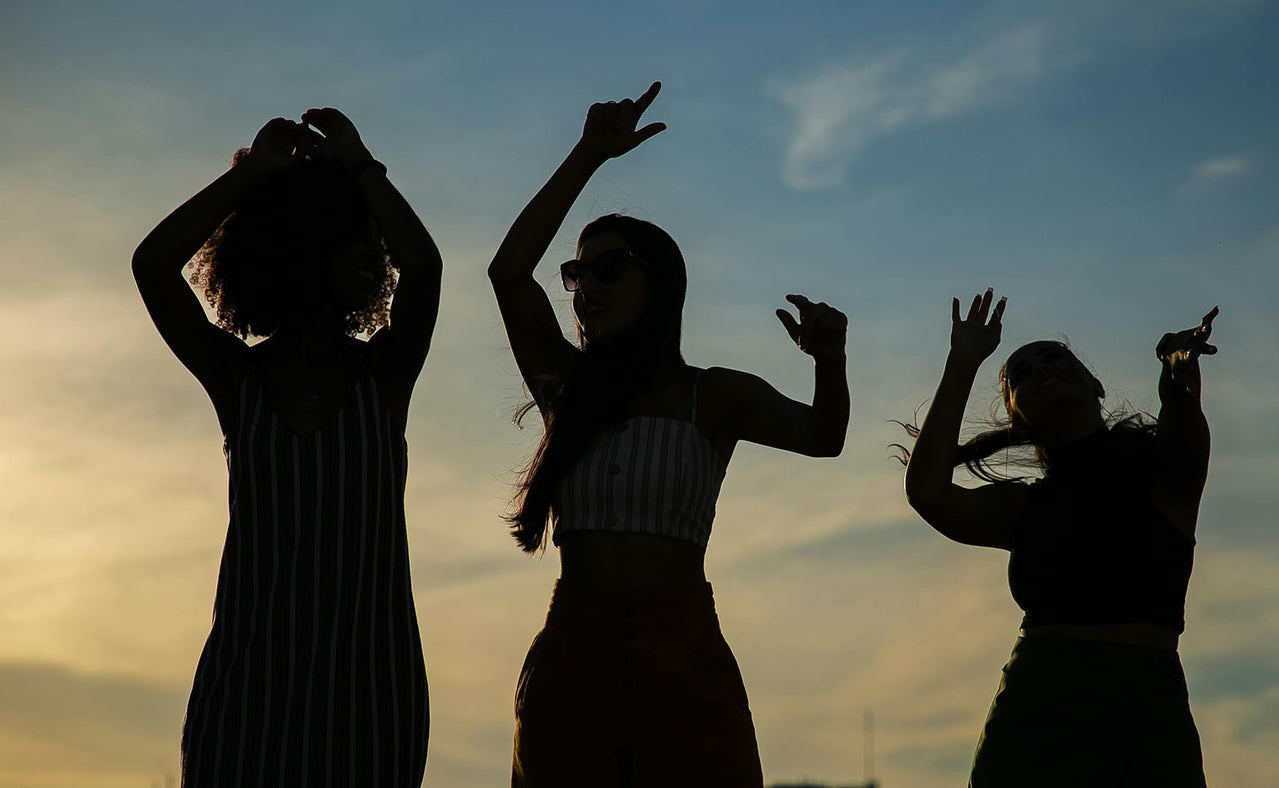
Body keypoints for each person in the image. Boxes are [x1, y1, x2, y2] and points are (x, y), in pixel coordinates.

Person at [489, 82, 850, 787]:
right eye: (577, 272)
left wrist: (830, 362)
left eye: (609, 267)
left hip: (683, 654)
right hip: (573, 657)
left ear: (660, 283)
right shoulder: (566, 388)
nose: (586, 285)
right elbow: (508, 273)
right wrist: (587, 155)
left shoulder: (713, 396)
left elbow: (822, 436)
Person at [132, 109, 441, 787]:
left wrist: (361, 164)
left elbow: (422, 264)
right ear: (295, 247)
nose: (369, 253)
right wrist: (252, 178)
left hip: (370, 697)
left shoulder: (384, 376)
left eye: (367, 238)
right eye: (347, 237)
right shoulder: (238, 378)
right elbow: (154, 265)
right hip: (247, 695)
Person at [901, 288, 1218, 787]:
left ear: (1094, 384)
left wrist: (1177, 363)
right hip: (1034, 710)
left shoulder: (1161, 473)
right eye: (1022, 375)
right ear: (1015, 416)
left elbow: (1182, 414)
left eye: (1053, 359)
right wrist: (962, 362)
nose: (1041, 370)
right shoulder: (1022, 507)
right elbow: (929, 494)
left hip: (1145, 711)